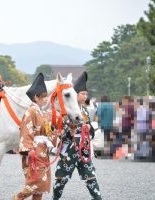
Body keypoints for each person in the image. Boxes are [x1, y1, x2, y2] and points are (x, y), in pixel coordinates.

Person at [52, 72, 102, 200]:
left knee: (91, 178)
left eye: (86, 94)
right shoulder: (66, 110)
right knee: (60, 180)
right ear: (76, 94)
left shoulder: (85, 111)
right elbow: (60, 130)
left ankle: (98, 198)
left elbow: (91, 132)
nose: (85, 96)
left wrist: (89, 129)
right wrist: (70, 131)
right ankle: (55, 198)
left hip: (83, 149)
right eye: (82, 93)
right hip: (68, 149)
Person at [13, 73, 59, 200]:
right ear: (36, 97)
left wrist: (54, 131)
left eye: (46, 97)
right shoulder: (31, 111)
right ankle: (17, 198)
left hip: (43, 152)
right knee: (36, 182)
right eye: (43, 97)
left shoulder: (42, 113)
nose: (45, 99)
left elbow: (48, 133)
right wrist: (28, 150)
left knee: (41, 187)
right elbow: (25, 131)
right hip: (34, 152)